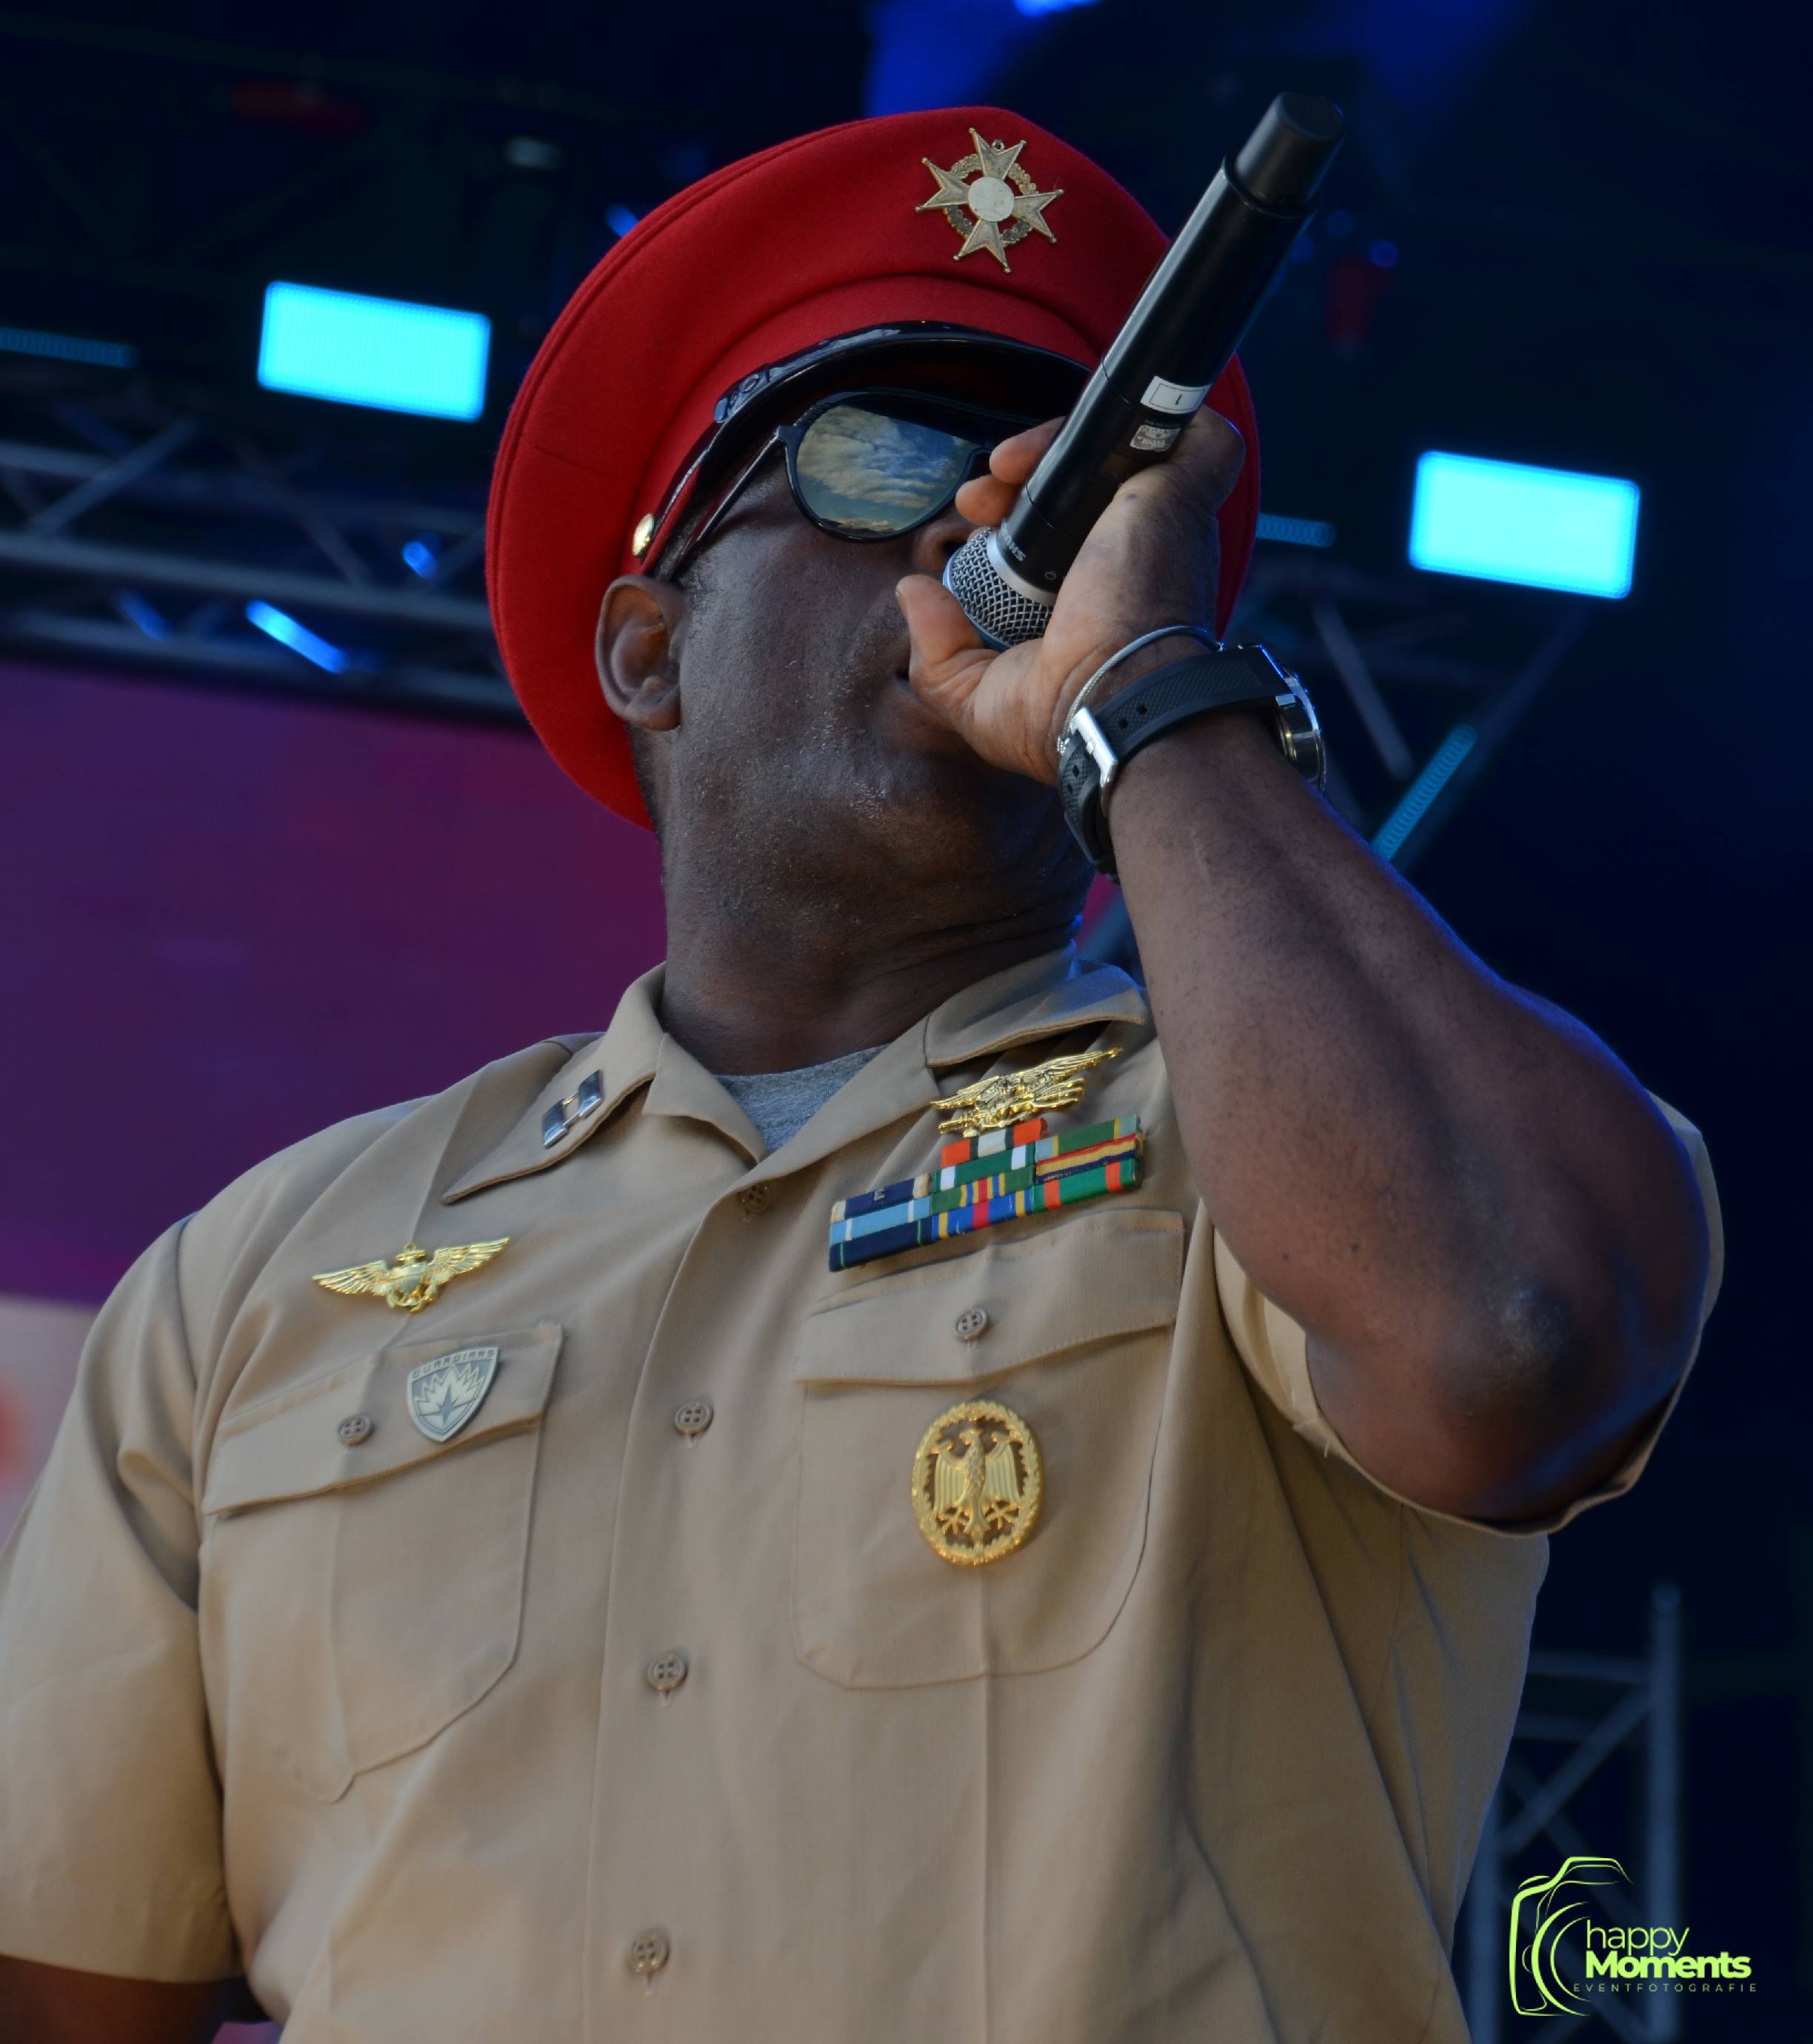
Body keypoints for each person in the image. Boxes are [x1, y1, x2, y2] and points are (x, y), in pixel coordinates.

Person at [0, 105, 1717, 2044]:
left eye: (1057, 487)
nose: (973, 531)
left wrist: (1144, 690)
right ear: (650, 652)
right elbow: (66, 1986)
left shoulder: (1268, 1164)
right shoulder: (260, 1279)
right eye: (871, 460)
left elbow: (1520, 1332)